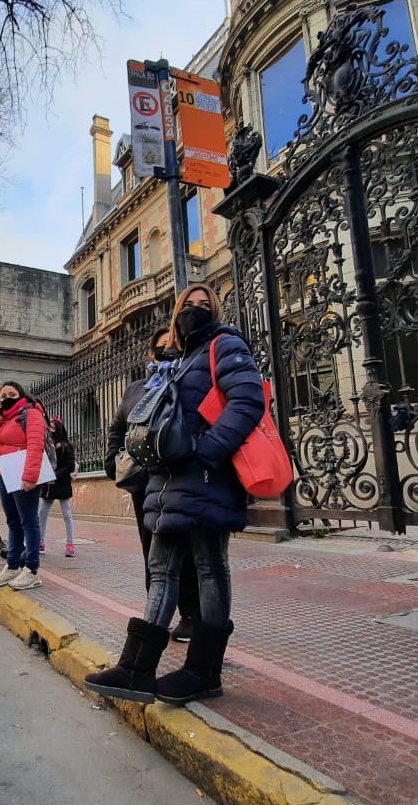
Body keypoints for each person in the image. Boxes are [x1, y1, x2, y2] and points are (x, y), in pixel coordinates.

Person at [85, 283, 264, 706]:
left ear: (215, 311)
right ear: (176, 311)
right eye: (188, 304)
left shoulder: (225, 344)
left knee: (210, 568)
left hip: (207, 480)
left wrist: (208, 451)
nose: (195, 310)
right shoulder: (174, 362)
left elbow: (248, 400)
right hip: (166, 484)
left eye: (204, 305)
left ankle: (203, 672)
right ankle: (136, 668)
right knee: (161, 571)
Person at [104, 326, 200, 642]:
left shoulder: (187, 378)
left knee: (184, 547)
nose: (166, 351)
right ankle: (157, 614)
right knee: (151, 549)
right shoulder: (135, 389)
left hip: (179, 477)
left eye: (172, 345)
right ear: (150, 354)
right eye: (161, 347)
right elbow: (118, 427)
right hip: (144, 481)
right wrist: (112, 460)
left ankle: (191, 614)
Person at [0, 381, 48, 591]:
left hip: (22, 473)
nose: (7, 398)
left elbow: (36, 445)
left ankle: (32, 570)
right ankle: (12, 565)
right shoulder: (3, 419)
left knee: (29, 521)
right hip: (3, 473)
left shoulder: (31, 414)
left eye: (12, 394)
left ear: (21, 395)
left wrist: (30, 476)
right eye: (3, 395)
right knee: (13, 522)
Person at [38, 417, 77, 557]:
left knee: (67, 514)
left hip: (62, 484)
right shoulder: (46, 446)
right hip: (48, 485)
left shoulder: (66, 446)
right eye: (50, 428)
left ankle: (70, 544)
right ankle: (40, 542)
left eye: (53, 428)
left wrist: (56, 474)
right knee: (42, 514)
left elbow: (70, 465)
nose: (51, 430)